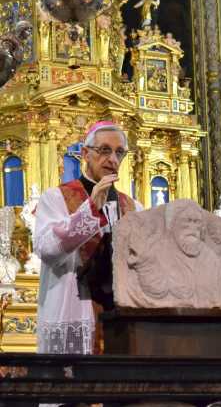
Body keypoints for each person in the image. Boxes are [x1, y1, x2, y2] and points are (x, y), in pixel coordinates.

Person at [34, 121, 142, 360]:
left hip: (121, 317)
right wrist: (91, 210)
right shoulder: (56, 198)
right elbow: (47, 249)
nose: (113, 159)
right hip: (73, 309)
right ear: (85, 153)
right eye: (104, 150)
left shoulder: (133, 207)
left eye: (119, 152)